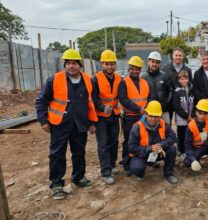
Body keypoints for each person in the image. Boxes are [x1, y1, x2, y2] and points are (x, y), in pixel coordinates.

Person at [35, 49, 97, 200]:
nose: (71, 66)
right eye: (68, 63)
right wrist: (43, 120)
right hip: (60, 124)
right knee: (57, 154)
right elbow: (41, 101)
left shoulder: (88, 80)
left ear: (80, 65)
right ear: (65, 65)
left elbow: (90, 103)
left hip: (80, 124)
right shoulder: (54, 80)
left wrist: (92, 122)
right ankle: (56, 184)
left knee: (79, 152)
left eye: (74, 63)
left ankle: (78, 177)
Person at [128, 101, 178, 184]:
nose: (153, 119)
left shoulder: (163, 124)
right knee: (136, 168)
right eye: (151, 116)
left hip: (158, 152)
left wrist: (161, 144)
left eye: (156, 116)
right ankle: (141, 173)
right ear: (146, 114)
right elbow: (131, 148)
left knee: (172, 149)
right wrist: (150, 148)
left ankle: (168, 173)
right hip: (142, 154)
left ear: (160, 116)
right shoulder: (137, 127)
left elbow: (173, 137)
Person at [91, 49, 122, 185]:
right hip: (101, 116)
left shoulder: (119, 78)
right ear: (102, 64)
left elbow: (122, 96)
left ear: (115, 65)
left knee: (113, 141)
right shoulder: (95, 79)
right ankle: (106, 171)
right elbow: (92, 98)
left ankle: (112, 164)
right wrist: (103, 107)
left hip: (114, 115)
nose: (109, 67)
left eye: (112, 64)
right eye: (106, 64)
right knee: (103, 144)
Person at [118, 56, 150, 176]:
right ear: (129, 69)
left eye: (137, 69)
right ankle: (127, 164)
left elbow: (149, 97)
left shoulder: (144, 82)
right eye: (132, 68)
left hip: (142, 118)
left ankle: (141, 161)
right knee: (128, 141)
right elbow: (123, 99)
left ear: (140, 69)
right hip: (130, 117)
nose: (134, 71)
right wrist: (138, 109)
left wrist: (146, 109)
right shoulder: (124, 82)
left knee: (142, 140)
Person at [162, 47, 193, 122]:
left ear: (183, 56)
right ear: (172, 56)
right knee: (167, 125)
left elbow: (190, 86)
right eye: (176, 55)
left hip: (183, 103)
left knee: (183, 126)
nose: (178, 57)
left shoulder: (188, 70)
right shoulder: (165, 69)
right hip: (169, 102)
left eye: (180, 55)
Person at [141, 51, 172, 124]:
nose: (154, 64)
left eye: (157, 62)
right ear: (148, 62)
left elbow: (171, 90)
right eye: (153, 61)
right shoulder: (143, 78)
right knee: (150, 132)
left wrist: (166, 104)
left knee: (165, 131)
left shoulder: (165, 76)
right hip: (149, 112)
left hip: (163, 111)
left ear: (159, 64)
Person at [173, 70, 195, 160]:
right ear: (179, 80)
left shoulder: (192, 89)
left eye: (186, 79)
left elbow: (195, 103)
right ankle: (182, 151)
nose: (184, 81)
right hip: (181, 120)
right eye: (182, 79)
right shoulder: (177, 91)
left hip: (191, 118)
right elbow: (176, 106)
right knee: (182, 136)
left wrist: (192, 115)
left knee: (190, 135)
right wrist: (186, 117)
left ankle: (189, 150)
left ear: (188, 79)